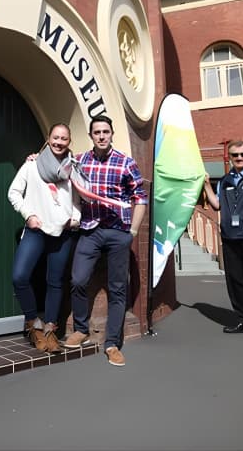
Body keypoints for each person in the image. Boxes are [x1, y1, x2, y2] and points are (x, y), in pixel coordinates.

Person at [62, 114, 147, 367]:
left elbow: (140, 198)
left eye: (105, 132)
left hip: (118, 232)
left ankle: (112, 343)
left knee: (118, 289)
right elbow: (53, 170)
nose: (101, 136)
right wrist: (34, 159)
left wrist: (131, 232)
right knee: (78, 279)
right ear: (91, 135)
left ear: (111, 134)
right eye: (96, 132)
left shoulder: (125, 163)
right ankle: (80, 328)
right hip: (90, 230)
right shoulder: (79, 161)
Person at [8, 124, 81, 353]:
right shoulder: (32, 165)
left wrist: (75, 218)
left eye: (64, 138)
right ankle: (34, 325)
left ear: (69, 141)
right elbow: (14, 192)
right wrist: (28, 215)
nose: (59, 142)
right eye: (56, 137)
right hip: (36, 231)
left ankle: (50, 330)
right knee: (20, 276)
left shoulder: (74, 170)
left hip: (62, 233)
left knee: (55, 282)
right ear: (49, 139)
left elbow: (78, 200)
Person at [202, 140, 243, 341]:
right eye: (235, 155)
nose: (239, 158)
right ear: (229, 157)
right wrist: (206, 185)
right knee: (235, 281)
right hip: (230, 238)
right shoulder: (225, 180)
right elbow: (217, 205)